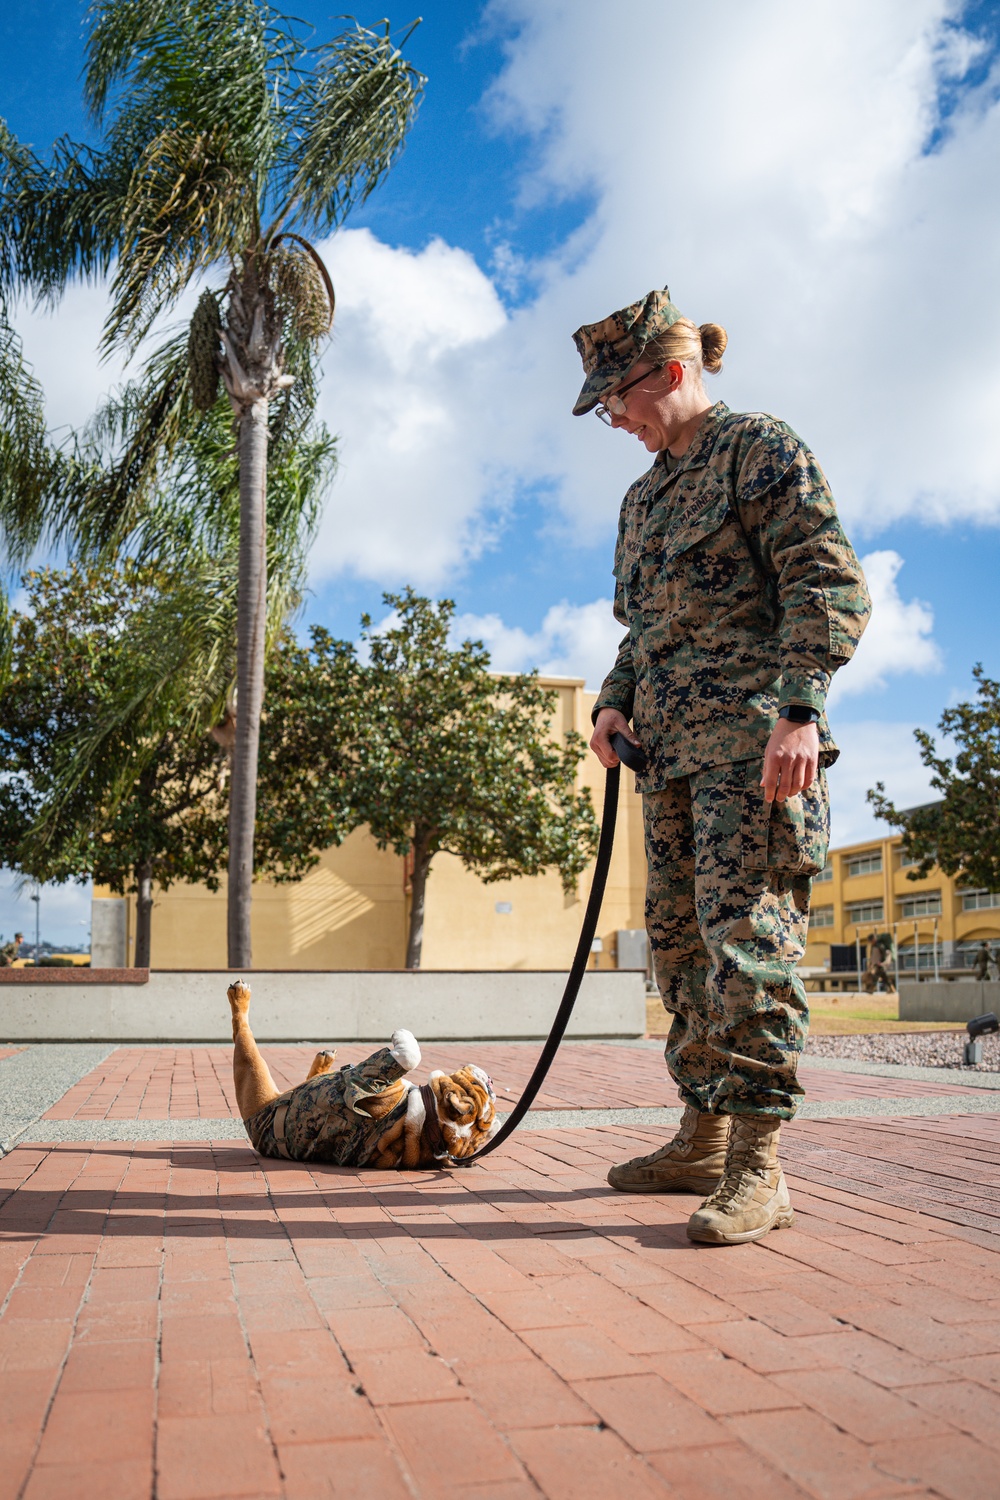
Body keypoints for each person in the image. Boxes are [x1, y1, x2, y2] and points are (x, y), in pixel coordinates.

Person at [575, 287, 870, 1245]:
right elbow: (645, 629)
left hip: (754, 753)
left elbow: (825, 582)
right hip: (668, 761)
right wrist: (615, 696)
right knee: (680, 947)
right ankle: (700, 1135)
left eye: (618, 396)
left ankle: (758, 1165)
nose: (612, 417)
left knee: (750, 944)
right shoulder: (645, 495)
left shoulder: (761, 450)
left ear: (672, 371)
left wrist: (799, 713)